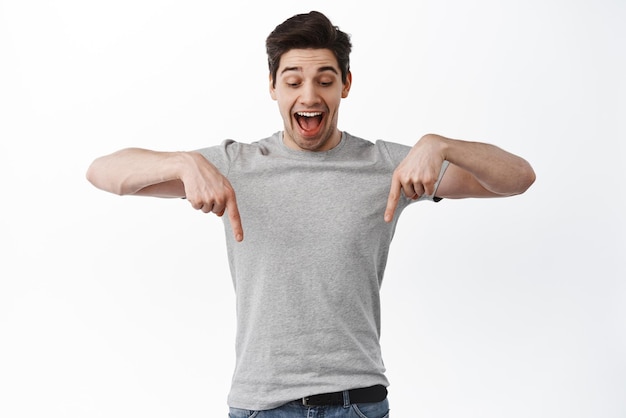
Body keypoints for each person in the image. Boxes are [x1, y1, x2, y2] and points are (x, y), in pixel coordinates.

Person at [86, 10, 535, 418]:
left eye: (324, 79)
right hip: (261, 403)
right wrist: (182, 163)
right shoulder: (235, 165)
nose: (309, 94)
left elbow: (518, 178)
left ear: (346, 84)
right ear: (273, 87)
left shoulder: (388, 166)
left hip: (356, 401)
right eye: (293, 80)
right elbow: (103, 172)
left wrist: (441, 145)